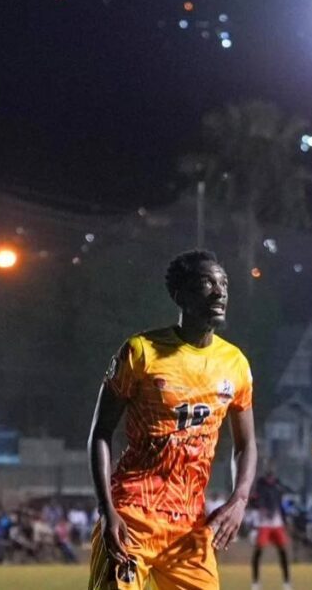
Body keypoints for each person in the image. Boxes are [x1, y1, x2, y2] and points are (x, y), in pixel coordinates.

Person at [87, 249, 257, 589]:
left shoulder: (234, 363)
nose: (220, 291)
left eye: (223, 283)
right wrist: (107, 510)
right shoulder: (140, 351)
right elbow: (101, 433)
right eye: (207, 283)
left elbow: (247, 443)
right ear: (180, 294)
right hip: (131, 515)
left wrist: (239, 499)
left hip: (190, 526)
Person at [251, 465, 292, 590]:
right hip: (264, 523)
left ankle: (286, 582)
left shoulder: (277, 487)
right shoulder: (260, 487)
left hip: (276, 522)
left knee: (282, 551)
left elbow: (282, 500)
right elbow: (256, 501)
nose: (271, 479)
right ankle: (255, 582)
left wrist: (285, 520)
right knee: (259, 551)